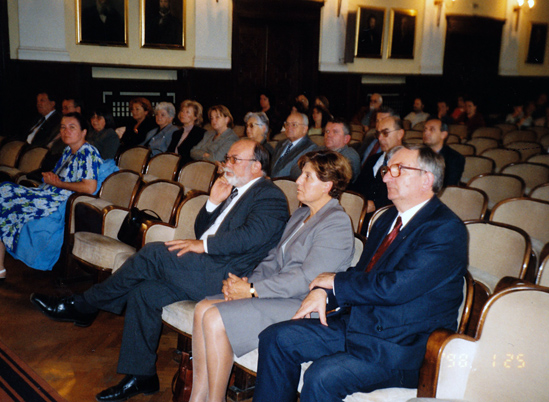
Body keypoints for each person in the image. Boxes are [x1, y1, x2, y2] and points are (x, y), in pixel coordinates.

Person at [30, 138, 289, 402]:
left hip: (225, 276)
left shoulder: (270, 196)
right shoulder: (233, 191)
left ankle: (85, 305)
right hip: (205, 266)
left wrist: (203, 245)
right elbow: (203, 230)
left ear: (256, 166)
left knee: (153, 253)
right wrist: (212, 203)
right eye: (227, 159)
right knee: (145, 293)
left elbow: (252, 236)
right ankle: (141, 375)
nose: (227, 164)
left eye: (234, 159)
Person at [253, 144, 468, 402]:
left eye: (398, 170)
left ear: (427, 179)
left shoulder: (445, 229)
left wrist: (335, 281)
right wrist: (325, 293)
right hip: (358, 325)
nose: (386, 177)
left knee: (322, 376)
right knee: (276, 338)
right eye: (387, 170)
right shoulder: (387, 219)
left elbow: (395, 287)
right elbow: (362, 272)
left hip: (400, 346)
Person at [189, 150, 355, 402]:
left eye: (307, 177)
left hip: (302, 303)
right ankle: (197, 397)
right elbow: (274, 258)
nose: (298, 181)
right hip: (277, 294)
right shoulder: (301, 214)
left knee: (214, 317)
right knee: (202, 308)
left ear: (327, 186)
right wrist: (246, 283)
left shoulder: (336, 222)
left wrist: (253, 291)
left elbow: (308, 278)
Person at [0, 113, 102, 284]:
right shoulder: (68, 151)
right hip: (47, 193)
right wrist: (52, 179)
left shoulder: (88, 152)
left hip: (57, 202)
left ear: (84, 131)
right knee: (2, 193)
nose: (66, 131)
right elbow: (61, 179)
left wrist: (58, 183)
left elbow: (89, 187)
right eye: (63, 127)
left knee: (3, 192)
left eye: (72, 127)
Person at [351, 116, 404, 233]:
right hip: (362, 218)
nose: (380, 138)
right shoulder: (373, 160)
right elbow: (357, 187)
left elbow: (407, 196)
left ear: (400, 134)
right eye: (378, 134)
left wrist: (376, 204)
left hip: (390, 222)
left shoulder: (407, 163)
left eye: (385, 133)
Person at [271, 112, 319, 180]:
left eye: (294, 125)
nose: (289, 128)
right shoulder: (280, 144)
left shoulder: (310, 148)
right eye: (287, 124)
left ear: (305, 129)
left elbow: (297, 174)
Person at [423, 118, 465, 187]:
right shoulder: (416, 153)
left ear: (443, 135)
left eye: (432, 129)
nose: (426, 133)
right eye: (425, 130)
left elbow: (449, 185)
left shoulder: (455, 158)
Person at [166, 100, 206, 165]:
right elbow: (169, 152)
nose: (183, 114)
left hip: (189, 167)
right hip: (172, 165)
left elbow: (193, 155)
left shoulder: (200, 133)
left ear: (195, 116)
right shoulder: (176, 133)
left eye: (187, 112)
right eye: (182, 111)